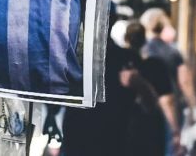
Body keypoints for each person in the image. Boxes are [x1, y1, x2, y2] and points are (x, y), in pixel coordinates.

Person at [60, 10, 172, 156]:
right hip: (110, 142)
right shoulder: (127, 59)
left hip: (83, 140)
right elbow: (150, 107)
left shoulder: (71, 57)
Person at [141, 7, 196, 148]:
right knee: (171, 145)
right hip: (173, 105)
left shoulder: (141, 50)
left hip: (147, 106)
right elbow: (185, 81)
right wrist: (193, 106)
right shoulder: (173, 52)